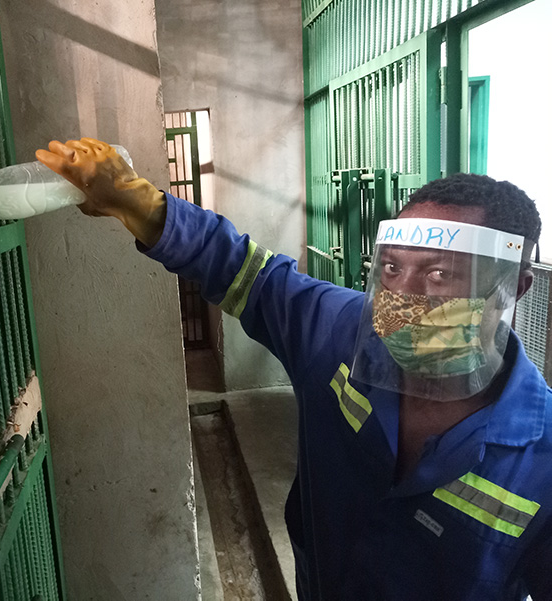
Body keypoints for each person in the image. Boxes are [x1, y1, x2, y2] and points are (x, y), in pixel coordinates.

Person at [36, 138, 552, 600]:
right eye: (393, 267)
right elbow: (246, 271)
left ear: (513, 287)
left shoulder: (544, 458)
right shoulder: (341, 333)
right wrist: (142, 205)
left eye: (439, 274)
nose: (401, 299)